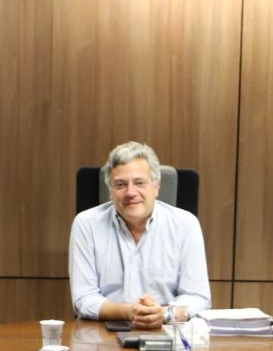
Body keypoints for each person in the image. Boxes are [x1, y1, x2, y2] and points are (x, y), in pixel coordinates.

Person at [69, 141, 212, 329]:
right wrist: (130, 312)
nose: (130, 192)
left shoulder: (185, 224)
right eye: (120, 184)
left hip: (168, 333)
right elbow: (83, 299)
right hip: (102, 334)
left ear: (157, 186)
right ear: (110, 190)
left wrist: (163, 314)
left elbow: (199, 298)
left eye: (139, 183)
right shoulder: (86, 224)